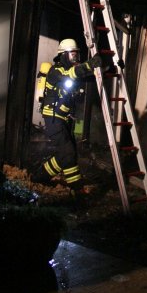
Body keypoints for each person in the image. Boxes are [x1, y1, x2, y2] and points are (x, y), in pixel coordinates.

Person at [31, 38, 103, 192]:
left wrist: (109, 68)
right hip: (52, 118)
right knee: (68, 152)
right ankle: (76, 189)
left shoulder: (71, 71)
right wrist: (89, 64)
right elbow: (71, 74)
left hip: (63, 118)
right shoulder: (56, 71)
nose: (75, 57)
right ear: (63, 55)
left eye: (76, 54)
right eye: (72, 54)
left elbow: (86, 76)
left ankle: (40, 176)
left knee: (66, 153)